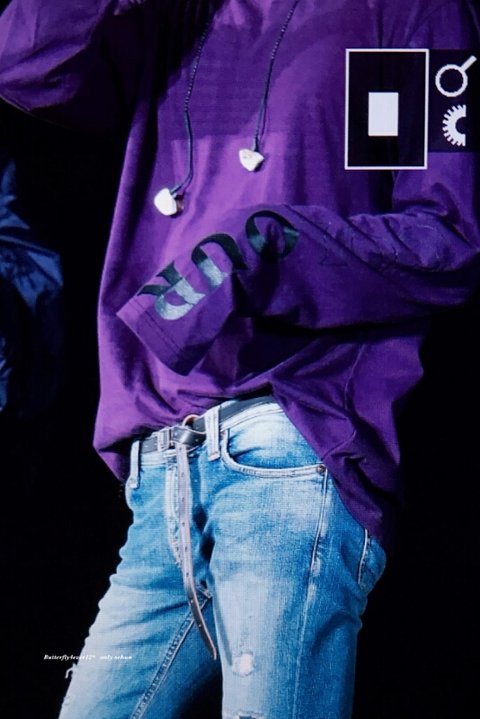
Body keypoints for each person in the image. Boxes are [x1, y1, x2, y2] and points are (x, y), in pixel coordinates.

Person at [0, 1, 479, 717]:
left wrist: (264, 247)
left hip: (287, 444)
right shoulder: (174, 15)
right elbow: (25, 64)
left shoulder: (390, 10)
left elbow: (438, 235)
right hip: (160, 469)